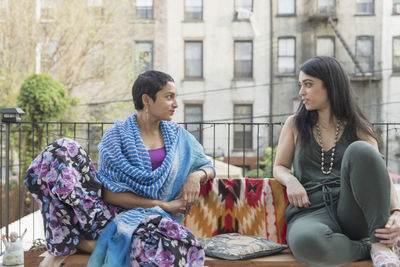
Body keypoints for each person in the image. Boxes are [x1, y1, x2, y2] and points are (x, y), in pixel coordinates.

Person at [24, 70, 215, 267]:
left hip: (155, 223)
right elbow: (108, 194)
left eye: (176, 97)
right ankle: (81, 236)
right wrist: (163, 204)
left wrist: (195, 175)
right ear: (147, 100)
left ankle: (89, 244)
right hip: (108, 216)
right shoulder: (115, 137)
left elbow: (207, 166)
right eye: (169, 97)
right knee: (63, 148)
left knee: (170, 246)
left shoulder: (179, 137)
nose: (175, 104)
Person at [273, 56, 400, 267]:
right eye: (300, 85)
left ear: (330, 85)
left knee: (362, 150)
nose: (301, 92)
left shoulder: (358, 126)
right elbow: (279, 166)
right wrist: (291, 181)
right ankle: (367, 248)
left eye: (308, 84)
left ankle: (380, 244)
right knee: (307, 243)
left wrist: (396, 212)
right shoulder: (295, 124)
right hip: (311, 210)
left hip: (350, 209)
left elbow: (379, 172)